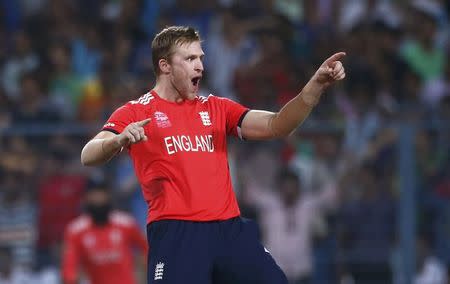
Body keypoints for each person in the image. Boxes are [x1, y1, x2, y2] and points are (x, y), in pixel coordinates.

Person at [80, 26, 345, 284]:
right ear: (165, 66)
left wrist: (314, 88)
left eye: (201, 58)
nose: (200, 67)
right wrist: (118, 140)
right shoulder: (135, 112)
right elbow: (88, 155)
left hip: (228, 230)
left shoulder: (217, 108)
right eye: (190, 59)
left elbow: (277, 124)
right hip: (177, 233)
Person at [61, 178, 148, 284]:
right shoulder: (76, 231)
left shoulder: (126, 224)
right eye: (94, 194)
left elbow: (147, 251)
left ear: (109, 196)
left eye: (102, 194)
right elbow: (70, 269)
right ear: (86, 198)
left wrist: (143, 272)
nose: (98, 198)